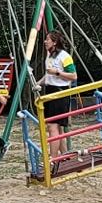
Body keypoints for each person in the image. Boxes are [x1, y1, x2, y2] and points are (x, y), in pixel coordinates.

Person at [36, 30, 77, 161]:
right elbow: (49, 74)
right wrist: (39, 83)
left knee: (52, 127)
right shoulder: (50, 56)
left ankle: (53, 159)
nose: (45, 41)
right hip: (50, 91)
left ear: (54, 42)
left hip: (60, 93)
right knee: (56, 127)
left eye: (47, 39)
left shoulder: (64, 56)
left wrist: (57, 72)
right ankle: (65, 155)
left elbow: (73, 76)